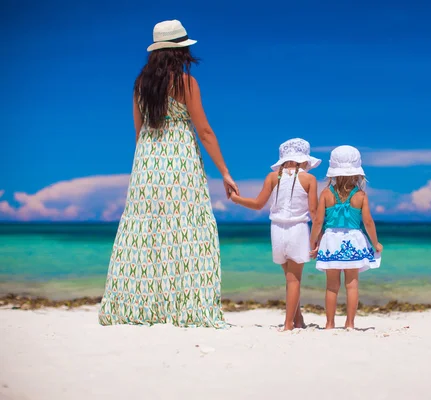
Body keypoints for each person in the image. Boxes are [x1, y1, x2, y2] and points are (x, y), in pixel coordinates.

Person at [98, 20, 238, 328]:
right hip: (179, 160)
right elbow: (204, 131)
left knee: (145, 233)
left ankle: (141, 306)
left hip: (147, 162)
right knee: (187, 229)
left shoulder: (140, 84)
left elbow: (139, 132)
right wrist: (225, 172)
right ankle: (185, 307)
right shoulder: (187, 83)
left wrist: (146, 167)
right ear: (181, 51)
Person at [230, 138, 320, 331]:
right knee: (294, 279)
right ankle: (288, 325)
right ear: (303, 160)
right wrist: (317, 238)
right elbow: (314, 212)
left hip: (276, 231)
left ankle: (298, 320)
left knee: (289, 277)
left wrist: (236, 199)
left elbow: (257, 204)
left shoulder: (272, 177)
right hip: (298, 230)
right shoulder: (310, 179)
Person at [309, 145, 382, 330]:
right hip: (354, 241)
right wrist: (376, 243)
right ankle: (350, 324)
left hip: (331, 241)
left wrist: (313, 243)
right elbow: (368, 222)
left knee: (332, 286)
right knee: (352, 285)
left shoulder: (326, 193)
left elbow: (318, 222)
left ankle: (329, 324)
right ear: (358, 173)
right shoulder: (360, 195)